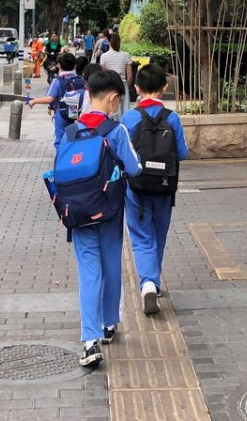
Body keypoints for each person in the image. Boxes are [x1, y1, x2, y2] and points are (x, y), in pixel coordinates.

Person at [68, 69, 141, 367]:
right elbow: (134, 168)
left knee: (89, 270)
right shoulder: (116, 130)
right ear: (113, 99)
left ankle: (89, 340)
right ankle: (109, 323)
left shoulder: (72, 131)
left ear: (88, 94)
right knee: (111, 264)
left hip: (78, 211)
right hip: (109, 210)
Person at [121, 64, 188, 315]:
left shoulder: (129, 117)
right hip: (164, 186)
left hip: (136, 188)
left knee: (141, 237)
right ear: (165, 88)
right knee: (158, 235)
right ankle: (154, 282)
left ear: (137, 88)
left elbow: (122, 155)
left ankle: (148, 283)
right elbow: (182, 153)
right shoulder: (173, 118)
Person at [27, 52, 81, 151]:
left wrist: (34, 101)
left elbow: (49, 99)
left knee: (59, 140)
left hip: (62, 114)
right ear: (75, 65)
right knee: (74, 138)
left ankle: (60, 162)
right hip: (78, 114)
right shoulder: (80, 80)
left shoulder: (57, 81)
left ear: (59, 65)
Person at [99, 32, 134, 120]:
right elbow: (129, 76)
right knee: (124, 109)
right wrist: (125, 86)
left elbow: (103, 74)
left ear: (109, 42)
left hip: (109, 85)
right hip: (123, 84)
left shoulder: (104, 56)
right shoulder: (126, 55)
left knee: (111, 109)